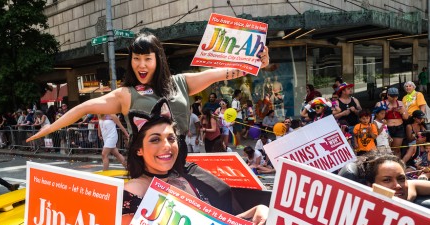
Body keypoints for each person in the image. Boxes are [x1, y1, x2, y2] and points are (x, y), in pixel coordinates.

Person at [120, 98, 268, 225]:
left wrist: (259, 210)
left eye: (171, 138)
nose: (167, 146)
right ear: (139, 150)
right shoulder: (132, 191)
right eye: (155, 139)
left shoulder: (189, 178)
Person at [26, 33, 270, 149]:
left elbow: (222, 72)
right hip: (144, 168)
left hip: (180, 158)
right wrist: (49, 128)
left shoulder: (181, 83)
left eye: (147, 58)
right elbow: (84, 107)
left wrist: (257, 62)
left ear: (158, 59)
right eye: (136, 58)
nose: (141, 65)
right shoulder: (125, 94)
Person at [352, 151, 430, 202]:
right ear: (370, 185)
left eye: (401, 179)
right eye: (387, 180)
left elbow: (412, 185)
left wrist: (425, 175)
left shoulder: (402, 195)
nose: (398, 186)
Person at [375, 87, 408, 158]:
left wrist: (402, 112)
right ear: (388, 95)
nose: (394, 98)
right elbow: (375, 117)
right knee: (387, 150)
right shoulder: (380, 103)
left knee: (396, 149)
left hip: (399, 126)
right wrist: (386, 111)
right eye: (392, 96)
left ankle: (397, 165)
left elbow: (406, 117)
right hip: (387, 127)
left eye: (396, 96)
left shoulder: (400, 103)